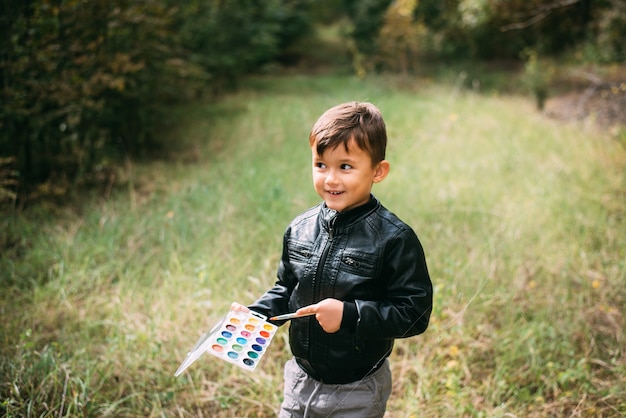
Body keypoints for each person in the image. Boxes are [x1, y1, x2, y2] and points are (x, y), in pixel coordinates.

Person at [233, 101, 432, 417]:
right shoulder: (300, 228)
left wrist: (350, 315)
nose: (331, 179)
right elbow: (286, 289)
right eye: (321, 165)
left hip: (358, 387)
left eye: (346, 166)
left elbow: (414, 313)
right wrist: (257, 314)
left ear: (378, 171)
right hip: (301, 380)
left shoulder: (394, 238)